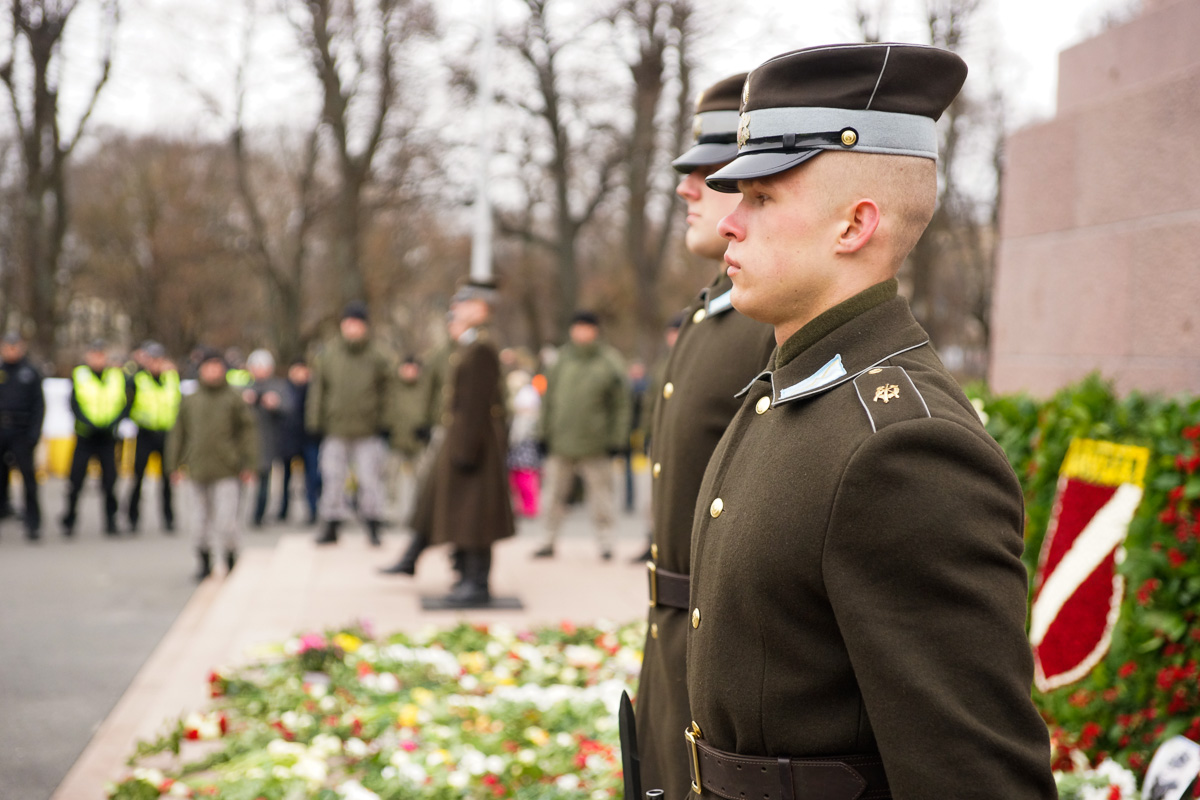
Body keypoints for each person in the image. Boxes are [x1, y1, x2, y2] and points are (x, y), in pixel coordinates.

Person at [680, 43, 1056, 799]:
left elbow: (976, 777)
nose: (730, 225)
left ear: (853, 226)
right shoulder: (793, 390)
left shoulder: (904, 447)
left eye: (762, 198)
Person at [631, 73, 778, 797]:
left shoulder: (759, 320)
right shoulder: (715, 312)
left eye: (713, 173)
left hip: (717, 658)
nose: (689, 188)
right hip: (674, 641)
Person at [420, 279, 514, 604]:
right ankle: (467, 577)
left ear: (480, 308)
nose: (457, 310)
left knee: (477, 517)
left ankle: (477, 583)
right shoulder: (472, 344)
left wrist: (464, 449)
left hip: (475, 444)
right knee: (466, 515)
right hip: (468, 441)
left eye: (464, 304)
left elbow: (475, 404)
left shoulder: (482, 347)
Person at [533, 311, 630, 560]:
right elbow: (548, 400)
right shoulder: (561, 360)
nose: (581, 333)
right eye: (577, 327)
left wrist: (618, 439)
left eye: (586, 328)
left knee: (601, 497)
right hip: (560, 441)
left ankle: (606, 542)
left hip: (596, 443)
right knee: (553, 495)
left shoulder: (609, 361)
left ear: (595, 331)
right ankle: (547, 539)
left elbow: (621, 404)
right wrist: (542, 433)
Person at [167, 348, 258, 580]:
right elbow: (179, 434)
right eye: (209, 366)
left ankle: (230, 558)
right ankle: (203, 561)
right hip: (197, 469)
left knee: (227, 521)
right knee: (198, 522)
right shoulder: (191, 400)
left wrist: (249, 464)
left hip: (227, 468)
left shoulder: (233, 399)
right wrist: (174, 464)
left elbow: (247, 432)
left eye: (217, 366)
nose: (213, 371)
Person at [307, 301, 393, 546]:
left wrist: (386, 423)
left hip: (368, 428)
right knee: (332, 477)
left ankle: (373, 523)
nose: (352, 329)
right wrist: (315, 422)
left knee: (370, 479)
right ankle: (331, 523)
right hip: (336, 427)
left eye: (357, 324)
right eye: (348, 323)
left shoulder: (378, 356)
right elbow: (318, 391)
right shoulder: (329, 355)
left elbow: (388, 391)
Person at [62, 340, 130, 537]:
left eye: (101, 355)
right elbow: (74, 404)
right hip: (85, 436)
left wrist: (113, 423)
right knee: (75, 480)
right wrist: (87, 424)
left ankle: (111, 520)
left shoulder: (117, 376)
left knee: (110, 481)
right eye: (94, 354)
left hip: (108, 437)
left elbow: (125, 403)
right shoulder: (80, 375)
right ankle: (70, 519)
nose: (98, 359)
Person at [124, 342, 181, 533]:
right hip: (145, 433)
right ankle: (132, 517)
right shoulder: (137, 379)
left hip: (166, 434)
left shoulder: (172, 378)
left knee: (167, 479)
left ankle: (168, 518)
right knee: (138, 477)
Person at [0, 332, 45, 541]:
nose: (11, 350)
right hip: (2, 429)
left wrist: (33, 434)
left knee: (28, 478)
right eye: (7, 346)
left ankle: (33, 521)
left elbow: (38, 405)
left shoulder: (30, 372)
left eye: (14, 346)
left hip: (21, 431)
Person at [244, 348, 292, 527]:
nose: (260, 370)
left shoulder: (278, 386)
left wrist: (276, 404)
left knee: (264, 482)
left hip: (268, 442)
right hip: (244, 444)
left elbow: (289, 409)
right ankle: (234, 514)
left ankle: (259, 515)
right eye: (256, 366)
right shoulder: (243, 388)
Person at [384, 356, 426, 524]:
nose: (409, 372)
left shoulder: (424, 387)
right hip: (396, 440)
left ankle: (421, 514)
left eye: (413, 368)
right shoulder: (392, 388)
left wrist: (426, 426)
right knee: (390, 478)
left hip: (418, 441)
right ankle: (389, 512)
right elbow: (385, 409)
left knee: (422, 479)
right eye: (406, 368)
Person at [279, 358, 321, 524]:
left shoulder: (313, 390)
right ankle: (283, 510)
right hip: (289, 439)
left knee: (311, 477)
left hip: (309, 439)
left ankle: (312, 510)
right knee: (286, 479)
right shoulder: (285, 389)